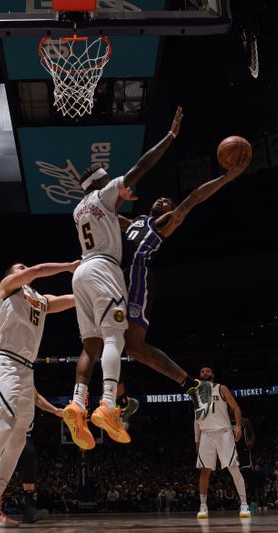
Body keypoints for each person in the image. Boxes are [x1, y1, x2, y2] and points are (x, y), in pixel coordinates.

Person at [82, 148, 252, 427]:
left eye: (168, 201)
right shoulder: (134, 221)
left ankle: (184, 388)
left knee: (131, 345)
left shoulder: (163, 223)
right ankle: (127, 401)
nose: (162, 199)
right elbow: (102, 212)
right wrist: (91, 193)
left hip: (137, 276)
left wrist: (227, 177)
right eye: (160, 198)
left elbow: (194, 198)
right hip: (115, 276)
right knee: (116, 344)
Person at [63, 107, 185, 450]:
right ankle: (108, 405)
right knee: (115, 338)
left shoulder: (79, 210)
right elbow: (140, 167)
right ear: (103, 182)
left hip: (81, 273)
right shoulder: (104, 194)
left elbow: (113, 219)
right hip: (104, 270)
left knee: (90, 345)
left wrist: (120, 204)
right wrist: (170, 138)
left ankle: (77, 401)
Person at [0, 260, 78, 529]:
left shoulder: (40, 299)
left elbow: (69, 300)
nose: (23, 270)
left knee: (19, 439)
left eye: (24, 267)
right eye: (18, 268)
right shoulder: (7, 289)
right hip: (2, 363)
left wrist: (89, 288)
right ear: (10, 276)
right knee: (7, 425)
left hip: (26, 371)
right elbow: (35, 272)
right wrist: (71, 266)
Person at [193, 364, 250, 519]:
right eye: (202, 371)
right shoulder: (196, 392)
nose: (205, 372)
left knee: (233, 468)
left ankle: (244, 504)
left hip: (224, 432)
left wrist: (237, 426)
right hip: (206, 434)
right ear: (199, 376)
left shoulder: (221, 388)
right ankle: (203, 506)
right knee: (204, 471)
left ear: (212, 375)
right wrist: (197, 440)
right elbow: (196, 418)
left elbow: (236, 408)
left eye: (208, 371)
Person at [18, 389, 62, 523]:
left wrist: (55, 410)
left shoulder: (27, 373)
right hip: (3, 425)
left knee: (29, 454)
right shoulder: (6, 372)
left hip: (23, 430)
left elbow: (36, 398)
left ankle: (29, 509)